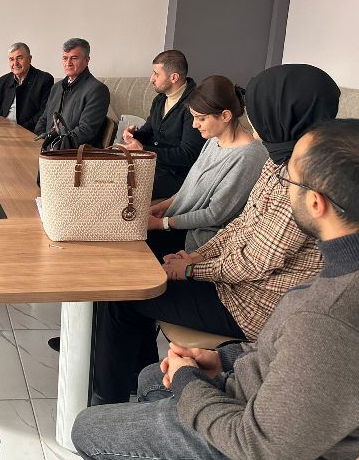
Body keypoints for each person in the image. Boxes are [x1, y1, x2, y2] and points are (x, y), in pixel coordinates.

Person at [72, 118, 359, 460]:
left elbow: (256, 445)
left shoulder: (328, 319)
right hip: (253, 393)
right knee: (151, 378)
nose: (281, 182)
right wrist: (224, 358)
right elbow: (287, 352)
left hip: (243, 433)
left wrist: (188, 383)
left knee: (87, 428)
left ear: (315, 203)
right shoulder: (335, 275)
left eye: (289, 179)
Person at [88, 63, 340, 404]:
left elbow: (255, 261)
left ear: (283, 113)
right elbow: (240, 224)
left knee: (122, 295)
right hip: (233, 284)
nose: (254, 119)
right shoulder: (279, 161)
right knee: (127, 288)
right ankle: (133, 378)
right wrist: (196, 256)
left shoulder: (306, 180)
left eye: (261, 110)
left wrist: (191, 268)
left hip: (251, 305)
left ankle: (108, 399)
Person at [146, 75, 267, 259]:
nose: (195, 125)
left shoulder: (248, 157)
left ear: (225, 116)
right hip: (180, 223)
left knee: (138, 248)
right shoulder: (213, 140)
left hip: (202, 238)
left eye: (201, 119)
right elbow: (191, 188)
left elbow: (214, 215)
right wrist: (162, 207)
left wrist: (162, 223)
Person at [122, 50, 205, 200]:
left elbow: (188, 155)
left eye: (156, 74)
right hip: (154, 166)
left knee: (122, 187)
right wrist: (133, 135)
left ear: (174, 77)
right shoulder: (160, 99)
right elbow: (149, 131)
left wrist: (144, 150)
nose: (151, 79)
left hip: (177, 175)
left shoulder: (195, 104)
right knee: (109, 176)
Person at [34, 37, 110, 147]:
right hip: (47, 147)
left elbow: (85, 131)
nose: (68, 63)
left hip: (72, 152)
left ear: (87, 60)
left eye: (74, 58)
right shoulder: (56, 87)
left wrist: (54, 146)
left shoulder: (97, 90)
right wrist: (40, 141)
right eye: (65, 58)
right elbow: (44, 120)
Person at [0, 42, 54, 133]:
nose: (15, 63)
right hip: (3, 131)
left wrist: (20, 130)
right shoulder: (2, 81)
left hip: (29, 132)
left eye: (19, 58)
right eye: (11, 59)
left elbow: (44, 113)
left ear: (29, 59)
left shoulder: (44, 80)